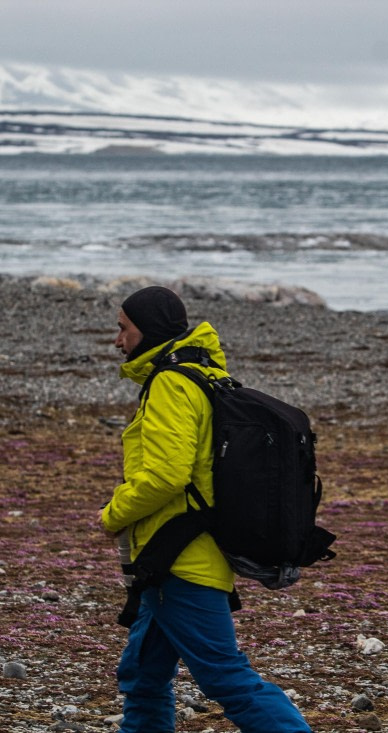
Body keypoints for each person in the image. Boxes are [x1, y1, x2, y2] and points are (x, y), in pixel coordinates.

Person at [100, 286, 312, 733]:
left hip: (180, 561)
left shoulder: (172, 384)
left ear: (149, 330)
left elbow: (166, 475)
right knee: (143, 675)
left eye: (123, 329)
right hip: (171, 559)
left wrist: (112, 515)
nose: (117, 341)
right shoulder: (203, 374)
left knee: (225, 677)